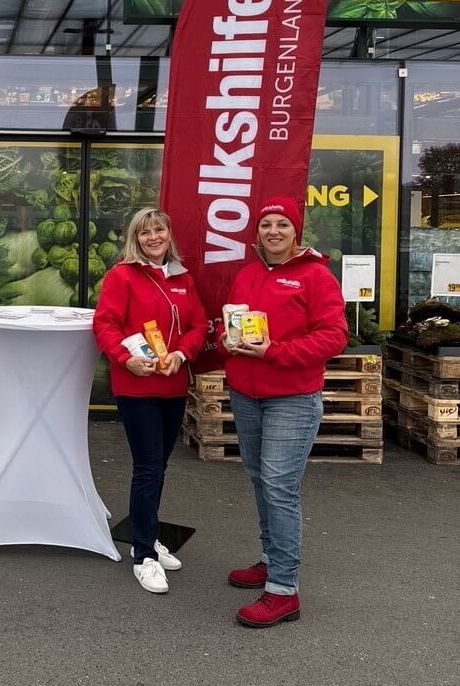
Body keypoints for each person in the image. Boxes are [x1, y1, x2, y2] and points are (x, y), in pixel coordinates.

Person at [224, 196, 348, 629]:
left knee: (279, 487)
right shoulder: (247, 274)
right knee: (260, 479)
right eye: (266, 225)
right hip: (246, 393)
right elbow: (235, 324)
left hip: (291, 397)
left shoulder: (315, 276)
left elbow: (333, 336)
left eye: (282, 225)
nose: (273, 232)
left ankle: (283, 590)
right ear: (257, 233)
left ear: (296, 232)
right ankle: (270, 558)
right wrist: (228, 342)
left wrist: (274, 352)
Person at [93, 207, 208, 594]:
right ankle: (143, 555)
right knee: (147, 468)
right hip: (136, 386)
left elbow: (197, 325)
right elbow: (105, 324)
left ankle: (148, 534)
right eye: (145, 232)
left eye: (159, 230)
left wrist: (182, 354)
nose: (153, 237)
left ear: (169, 235)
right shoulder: (122, 276)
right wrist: (125, 359)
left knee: (159, 466)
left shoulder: (182, 278)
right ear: (135, 238)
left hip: (172, 386)